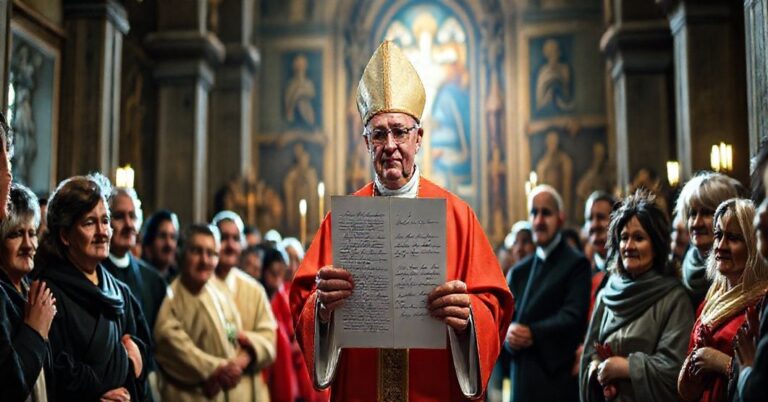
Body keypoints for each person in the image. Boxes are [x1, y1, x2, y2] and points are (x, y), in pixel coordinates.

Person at [289, 40, 514, 400]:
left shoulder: (458, 216)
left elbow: (493, 304)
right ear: (367, 143)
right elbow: (304, 300)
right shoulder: (342, 220)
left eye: (400, 131)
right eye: (379, 134)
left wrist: (468, 316)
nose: (390, 144)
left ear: (418, 138)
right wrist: (323, 308)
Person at [35, 173, 151, 401]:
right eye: (89, 223)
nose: (102, 232)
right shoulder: (47, 294)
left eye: (105, 221)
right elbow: (55, 375)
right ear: (65, 235)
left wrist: (136, 368)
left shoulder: (121, 294)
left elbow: (141, 369)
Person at [580, 189, 694, 401]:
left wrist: (625, 368)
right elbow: (589, 355)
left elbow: (675, 370)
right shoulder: (607, 295)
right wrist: (598, 370)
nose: (629, 246)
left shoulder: (674, 298)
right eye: (624, 238)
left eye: (639, 238)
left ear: (656, 245)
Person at [505, 185, 591, 402]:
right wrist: (507, 334)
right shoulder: (518, 272)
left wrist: (533, 333)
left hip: (555, 382)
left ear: (560, 218)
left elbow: (573, 316)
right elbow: (503, 319)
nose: (539, 220)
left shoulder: (576, 264)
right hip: (521, 381)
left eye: (546, 213)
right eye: (534, 213)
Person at [678, 199, 768, 402]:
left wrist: (721, 363)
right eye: (718, 235)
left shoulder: (762, 304)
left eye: (733, 238)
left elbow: (762, 381)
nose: (720, 245)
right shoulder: (711, 298)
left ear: (753, 245)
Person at [154, 224, 256, 402]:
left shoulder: (218, 291)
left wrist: (235, 357)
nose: (205, 260)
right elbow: (176, 348)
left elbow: (231, 329)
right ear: (182, 254)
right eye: (196, 251)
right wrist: (217, 370)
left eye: (211, 254)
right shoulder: (172, 298)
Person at [210, 210, 277, 401]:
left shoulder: (254, 289)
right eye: (224, 238)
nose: (230, 245)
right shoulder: (200, 286)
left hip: (249, 389)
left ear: (243, 245)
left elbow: (270, 339)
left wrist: (244, 358)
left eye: (235, 238)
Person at [0, 182, 56, 402]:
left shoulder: (33, 290)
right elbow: (8, 386)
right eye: (16, 234)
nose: (28, 245)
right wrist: (34, 331)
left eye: (32, 233)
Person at [675, 172, 745, 307]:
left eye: (706, 213)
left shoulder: (736, 270)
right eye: (692, 213)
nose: (696, 223)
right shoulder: (684, 262)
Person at [103, 187, 166, 331]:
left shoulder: (153, 281)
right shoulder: (94, 274)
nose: (128, 224)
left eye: (132, 216)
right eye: (119, 216)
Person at [141, 209, 180, 283]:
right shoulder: (138, 280)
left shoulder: (179, 281)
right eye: (162, 236)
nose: (169, 244)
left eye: (173, 237)